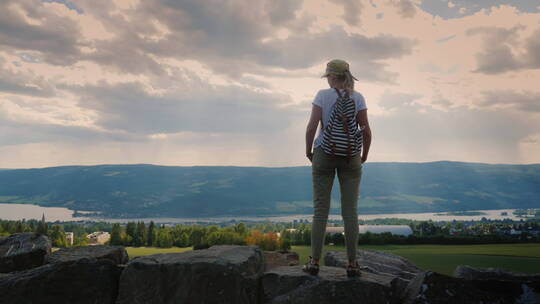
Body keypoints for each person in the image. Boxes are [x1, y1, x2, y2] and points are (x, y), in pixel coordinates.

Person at [303, 59, 372, 277]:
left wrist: (309, 151)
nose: (328, 80)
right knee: (350, 212)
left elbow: (312, 126)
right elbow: (366, 131)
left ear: (332, 76)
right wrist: (363, 156)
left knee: (320, 210)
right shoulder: (358, 97)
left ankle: (314, 262)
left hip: (324, 153)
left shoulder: (322, 95)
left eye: (328, 76)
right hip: (351, 156)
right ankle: (352, 264)